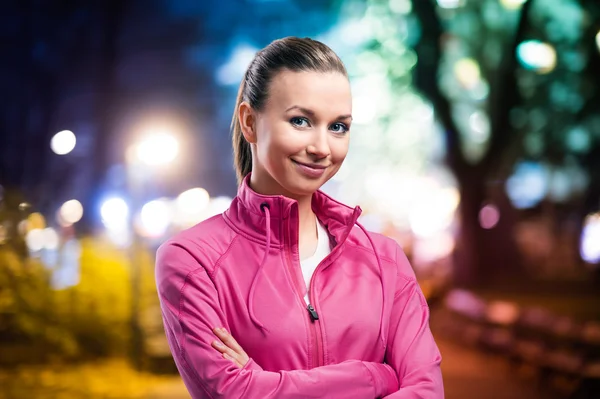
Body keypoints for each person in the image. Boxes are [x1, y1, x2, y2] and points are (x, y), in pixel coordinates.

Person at [155, 36, 444, 398]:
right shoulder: (193, 261)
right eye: (301, 121)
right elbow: (236, 392)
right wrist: (374, 378)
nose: (322, 148)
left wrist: (263, 382)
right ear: (249, 122)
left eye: (338, 126)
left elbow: (426, 391)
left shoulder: (386, 262)